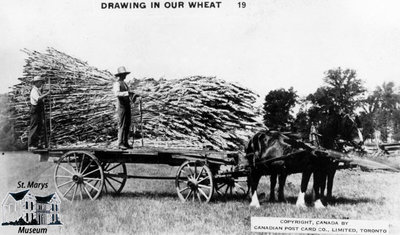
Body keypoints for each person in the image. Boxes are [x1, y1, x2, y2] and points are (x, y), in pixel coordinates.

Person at [113, 66, 138, 150]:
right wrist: (127, 93)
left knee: (127, 125)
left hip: (127, 106)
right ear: (120, 75)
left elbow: (128, 94)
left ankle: (125, 142)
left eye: (125, 74)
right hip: (121, 107)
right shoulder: (117, 84)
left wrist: (133, 95)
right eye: (123, 74)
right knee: (122, 125)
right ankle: (120, 143)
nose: (125, 76)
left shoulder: (125, 84)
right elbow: (117, 94)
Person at [28, 76, 50, 150]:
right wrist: (47, 94)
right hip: (35, 111)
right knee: (34, 127)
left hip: (38, 111)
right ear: (36, 83)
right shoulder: (34, 91)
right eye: (40, 82)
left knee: (39, 127)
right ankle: (31, 145)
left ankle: (36, 144)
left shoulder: (37, 90)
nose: (41, 83)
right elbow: (38, 98)